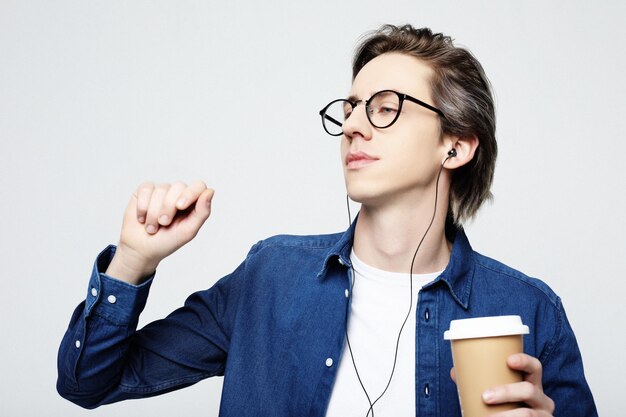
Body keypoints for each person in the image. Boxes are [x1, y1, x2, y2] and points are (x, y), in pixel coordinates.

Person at [57, 25, 597, 417]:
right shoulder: (270, 278)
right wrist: (133, 261)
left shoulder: (528, 311)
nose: (355, 126)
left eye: (385, 107)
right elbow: (87, 383)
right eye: (352, 107)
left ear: (455, 147)